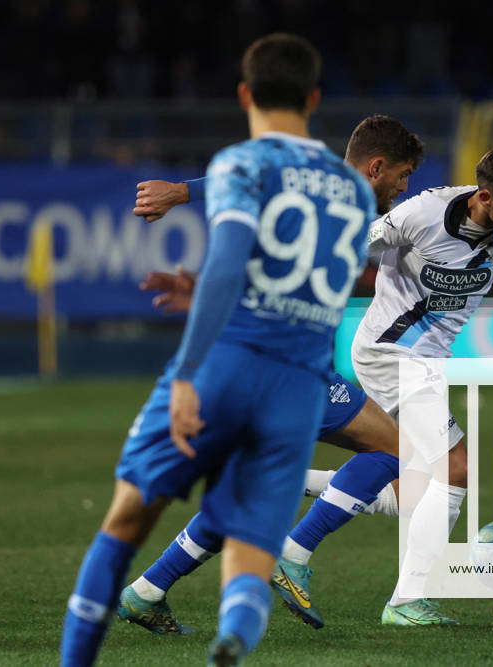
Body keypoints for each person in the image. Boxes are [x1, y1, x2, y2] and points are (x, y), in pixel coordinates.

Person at [130, 146, 493, 629]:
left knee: (407, 478)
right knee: (454, 467)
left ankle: (277, 506)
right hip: (392, 354)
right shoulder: (418, 216)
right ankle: (393, 592)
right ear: (485, 197)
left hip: (416, 360)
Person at [59, 33, 377, 666]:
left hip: (228, 364)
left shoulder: (241, 163)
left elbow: (231, 261)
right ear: (314, 98)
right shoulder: (355, 190)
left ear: (243, 94)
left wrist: (187, 373)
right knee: (252, 551)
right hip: (299, 385)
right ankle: (233, 632)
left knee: (125, 522)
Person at [118, 115, 422, 634]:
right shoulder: (339, 196)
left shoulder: (327, 200)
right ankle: (295, 553)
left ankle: (146, 592)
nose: (404, 187)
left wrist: (180, 195)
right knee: (398, 449)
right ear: (376, 167)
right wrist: (180, 193)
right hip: (281, 365)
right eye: (402, 175)